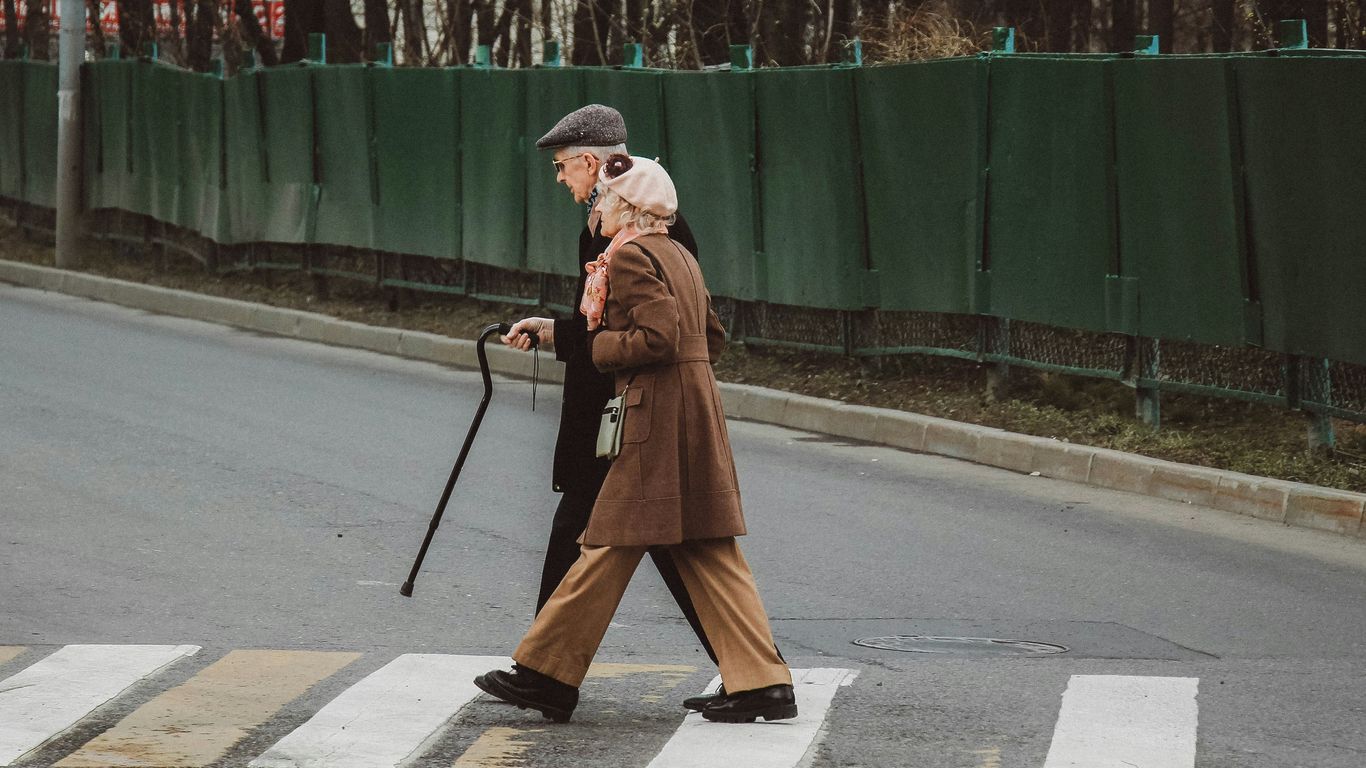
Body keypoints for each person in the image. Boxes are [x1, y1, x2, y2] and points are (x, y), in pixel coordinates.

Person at [476, 154, 796, 725]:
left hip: (654, 419)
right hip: (696, 410)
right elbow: (710, 337)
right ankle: (764, 683)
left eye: (603, 198)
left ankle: (547, 674)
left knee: (606, 543)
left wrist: (600, 351)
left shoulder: (628, 256)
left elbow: (659, 336)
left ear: (625, 206)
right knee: (707, 547)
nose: (595, 207)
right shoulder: (677, 254)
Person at [501, 105, 725, 712]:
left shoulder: (631, 235)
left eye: (562, 167)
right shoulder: (620, 227)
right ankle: (544, 675)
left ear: (592, 163)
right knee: (622, 541)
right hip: (619, 414)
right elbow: (597, 322)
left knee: (643, 545)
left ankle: (545, 675)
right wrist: (555, 330)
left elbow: (651, 333)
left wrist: (567, 336)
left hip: (629, 417)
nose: (560, 180)